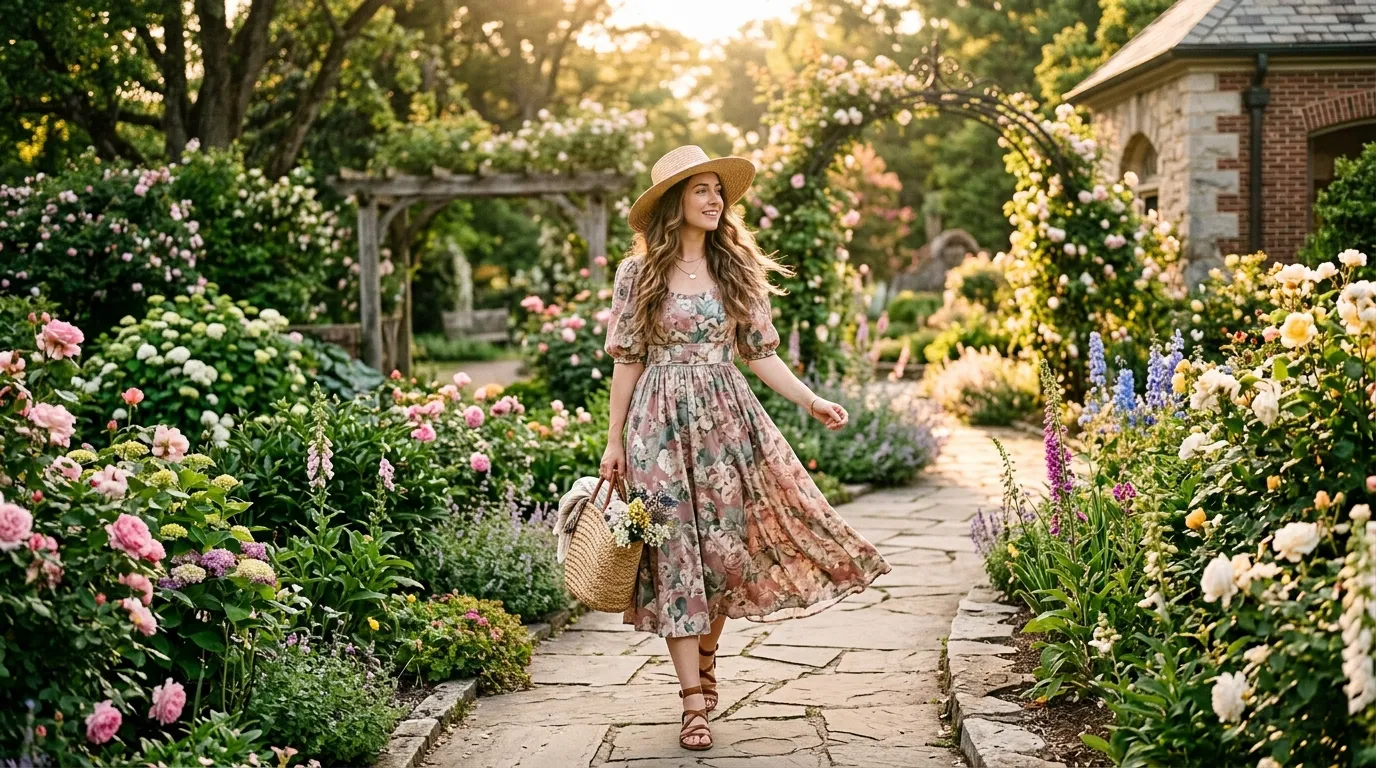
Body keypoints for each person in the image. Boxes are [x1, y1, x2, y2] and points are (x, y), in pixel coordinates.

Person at [599, 145, 891, 751]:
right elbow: (627, 362)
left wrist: (811, 400)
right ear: (674, 201)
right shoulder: (639, 274)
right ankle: (691, 702)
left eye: (717, 190)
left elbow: (760, 354)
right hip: (657, 428)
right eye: (700, 189)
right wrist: (614, 443)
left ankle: (705, 668)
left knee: (725, 554)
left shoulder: (735, 268)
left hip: (728, 424)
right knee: (675, 553)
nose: (714, 199)